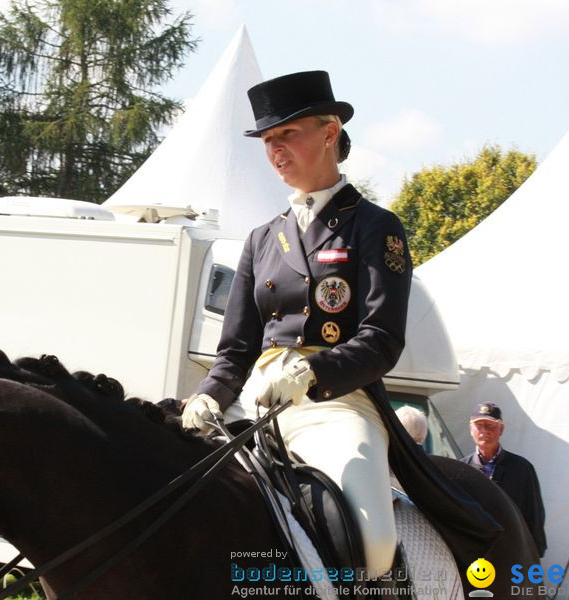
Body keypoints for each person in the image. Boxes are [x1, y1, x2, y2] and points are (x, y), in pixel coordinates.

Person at [180, 70, 498, 575]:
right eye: (267, 141)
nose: (275, 151)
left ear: (329, 133)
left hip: (337, 404)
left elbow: (382, 338)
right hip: (257, 403)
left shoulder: (375, 226)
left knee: (371, 537)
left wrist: (314, 372)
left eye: (287, 135)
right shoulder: (261, 240)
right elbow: (236, 350)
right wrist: (208, 396)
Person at [462, 401, 547, 558]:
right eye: (479, 426)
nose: (484, 431)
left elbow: (534, 514)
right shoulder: (461, 469)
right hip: (474, 556)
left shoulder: (522, 469)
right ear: (471, 429)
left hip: (511, 553)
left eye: (490, 426)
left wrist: (534, 553)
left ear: (501, 429)